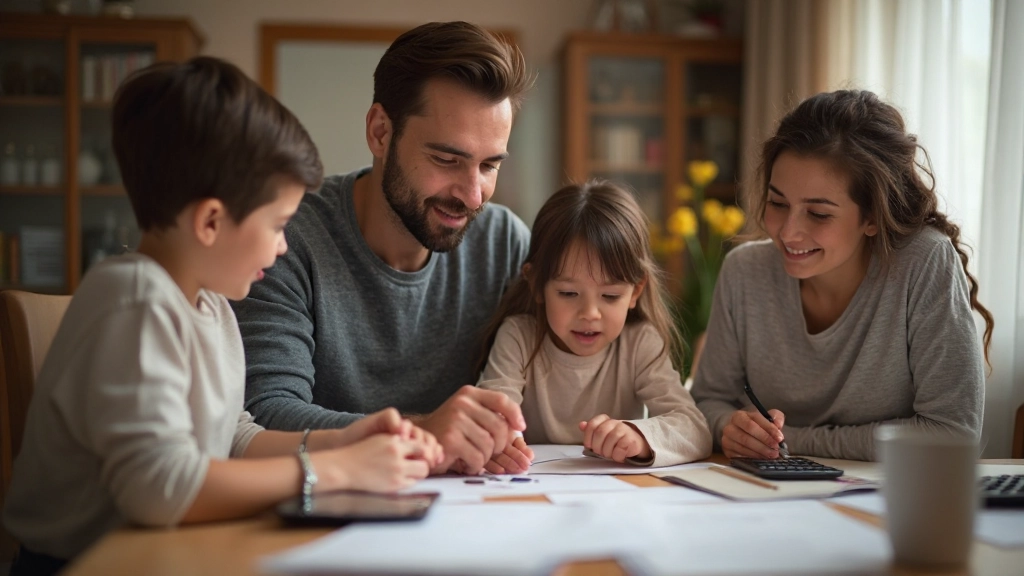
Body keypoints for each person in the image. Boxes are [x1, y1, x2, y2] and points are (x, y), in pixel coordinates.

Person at [2, 57, 442, 576]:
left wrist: (345, 439)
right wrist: (335, 469)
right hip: (88, 563)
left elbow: (232, 438)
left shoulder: (210, 305)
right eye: (278, 224)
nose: (282, 247)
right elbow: (161, 490)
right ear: (211, 221)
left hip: (161, 553)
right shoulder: (136, 301)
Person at [232, 21, 536, 475]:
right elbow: (266, 417)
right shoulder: (285, 240)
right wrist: (424, 433)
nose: (473, 195)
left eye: (489, 165)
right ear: (379, 132)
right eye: (447, 160)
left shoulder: (505, 244)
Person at [691, 89, 993, 462]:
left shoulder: (922, 261)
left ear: (871, 217)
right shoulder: (744, 271)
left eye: (818, 214)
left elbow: (952, 434)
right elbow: (706, 401)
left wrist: (791, 441)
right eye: (778, 203)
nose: (787, 232)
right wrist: (729, 429)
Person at [476, 181, 713, 471]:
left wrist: (639, 437)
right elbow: (492, 415)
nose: (590, 314)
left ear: (635, 292)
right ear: (536, 283)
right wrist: (499, 437)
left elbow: (695, 429)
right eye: (568, 293)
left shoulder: (640, 344)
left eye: (610, 296)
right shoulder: (518, 337)